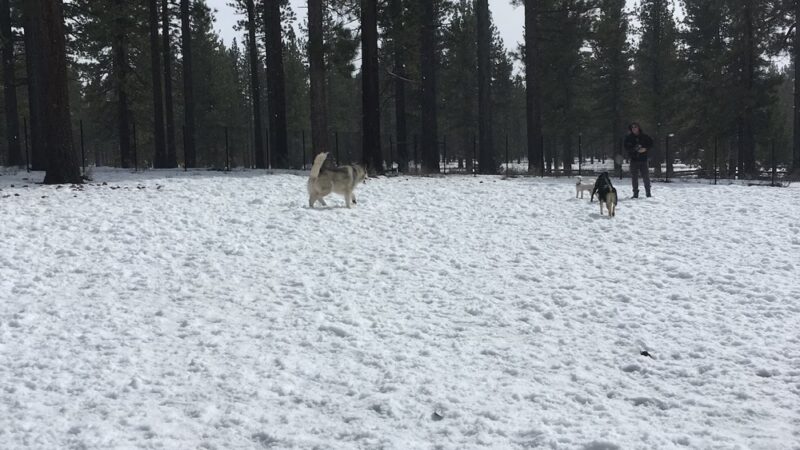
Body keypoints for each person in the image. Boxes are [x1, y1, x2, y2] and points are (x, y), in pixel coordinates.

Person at [624, 122, 653, 198]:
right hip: (634, 160)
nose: (634, 129)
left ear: (638, 128)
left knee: (646, 177)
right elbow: (626, 147)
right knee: (634, 177)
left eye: (635, 127)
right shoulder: (628, 138)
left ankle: (648, 193)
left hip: (643, 160)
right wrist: (635, 149)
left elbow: (651, 144)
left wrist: (645, 149)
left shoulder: (645, 137)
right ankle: (635, 193)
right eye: (632, 127)